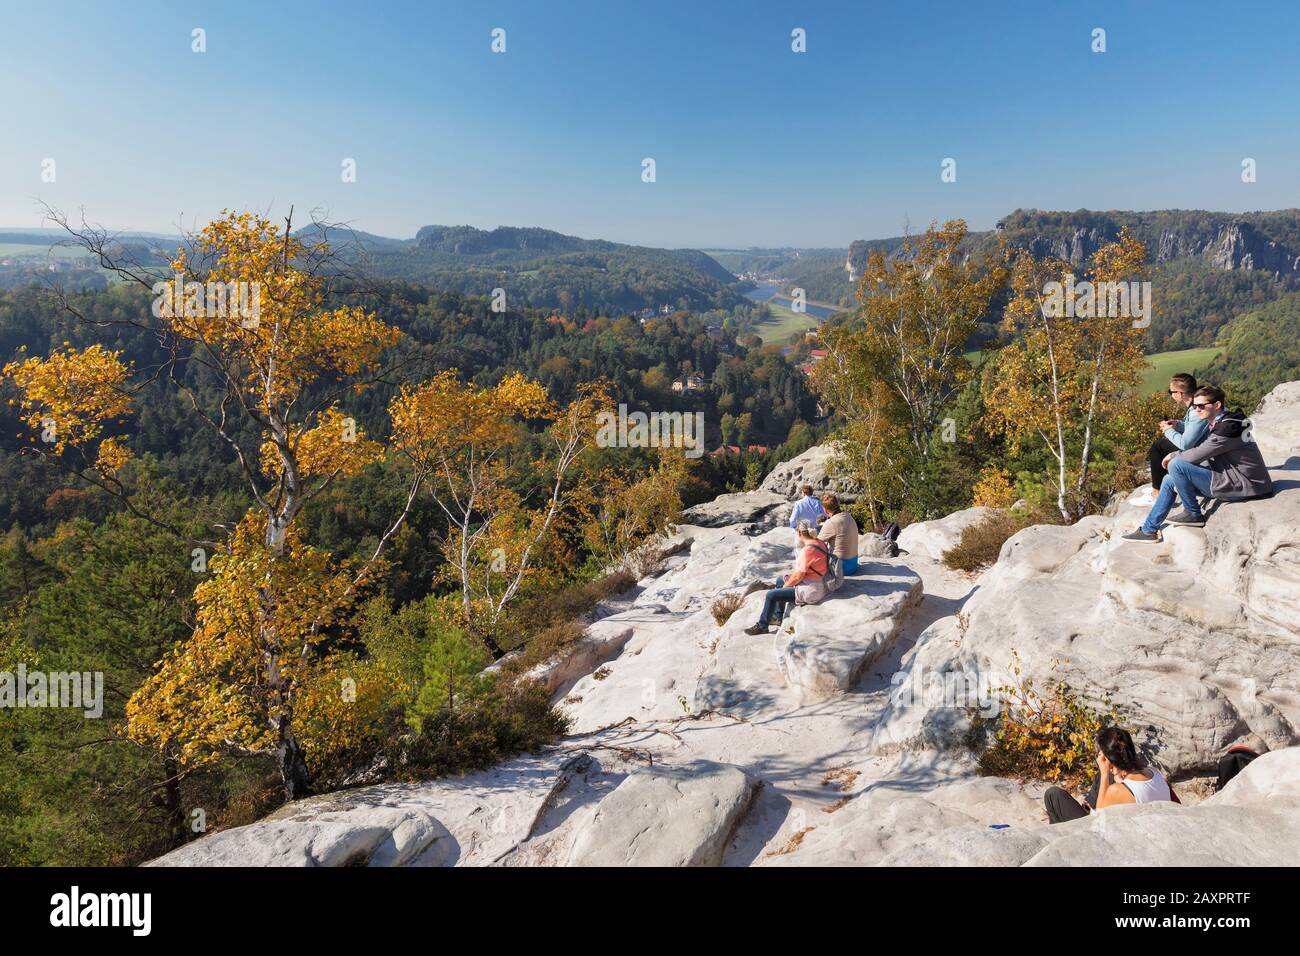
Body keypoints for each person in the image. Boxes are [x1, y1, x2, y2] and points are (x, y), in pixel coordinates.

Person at [1124, 385, 1273, 541]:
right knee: (1169, 479)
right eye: (1195, 406)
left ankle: (1193, 513)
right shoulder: (1226, 420)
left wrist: (1173, 455)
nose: (1197, 410)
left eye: (1201, 406)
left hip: (1249, 485)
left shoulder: (1226, 430)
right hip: (1237, 478)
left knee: (1176, 464)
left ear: (1217, 405)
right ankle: (1149, 530)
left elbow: (1196, 455)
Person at [1043, 727, 1173, 824]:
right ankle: (1088, 806)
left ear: (1109, 759)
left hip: (1101, 835)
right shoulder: (1154, 773)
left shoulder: (1118, 790)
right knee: (1106, 777)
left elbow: (1099, 822)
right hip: (1145, 825)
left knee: (1052, 795)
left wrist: (1105, 773)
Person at [744, 520, 831, 635]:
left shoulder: (807, 551)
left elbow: (799, 576)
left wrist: (785, 586)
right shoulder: (819, 543)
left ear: (799, 532)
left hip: (811, 591)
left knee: (771, 595)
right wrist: (786, 581)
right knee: (780, 579)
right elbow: (802, 574)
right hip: (817, 582)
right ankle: (778, 616)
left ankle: (762, 626)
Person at [1147, 373, 1207, 492]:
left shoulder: (1196, 410)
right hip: (1202, 445)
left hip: (1201, 451)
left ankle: (1157, 492)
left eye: (1171, 392)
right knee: (1162, 444)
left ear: (1180, 394)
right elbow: (1194, 427)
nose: (1170, 394)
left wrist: (1168, 430)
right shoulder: (1197, 405)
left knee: (1158, 447)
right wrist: (1178, 425)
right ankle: (1165, 485)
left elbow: (1185, 444)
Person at [817, 493, 859, 577]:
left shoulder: (831, 523)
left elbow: (815, 544)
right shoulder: (848, 516)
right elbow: (839, 526)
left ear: (825, 510)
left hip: (841, 568)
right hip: (853, 564)